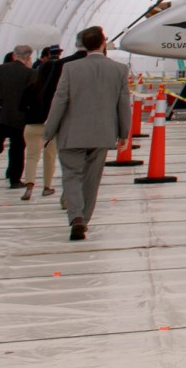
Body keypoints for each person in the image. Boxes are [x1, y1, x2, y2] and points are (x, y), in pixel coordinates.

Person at [42, 25, 131, 241]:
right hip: (102, 134)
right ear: (103, 43)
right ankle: (85, 218)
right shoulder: (119, 70)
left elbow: (59, 101)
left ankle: (76, 217)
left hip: (72, 134)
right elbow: (123, 104)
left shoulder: (71, 69)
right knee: (92, 179)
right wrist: (124, 134)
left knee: (71, 176)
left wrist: (48, 132)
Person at [0, 46, 34, 188]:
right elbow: (33, 96)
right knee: (17, 148)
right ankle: (14, 179)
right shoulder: (31, 73)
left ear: (14, 55)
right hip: (18, 116)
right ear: (28, 57)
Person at [17, 45, 67, 199]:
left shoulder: (32, 87)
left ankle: (29, 186)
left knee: (32, 156)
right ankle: (47, 187)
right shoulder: (56, 90)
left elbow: (21, 106)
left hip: (32, 126)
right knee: (50, 156)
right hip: (50, 126)